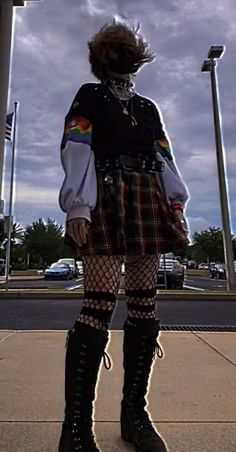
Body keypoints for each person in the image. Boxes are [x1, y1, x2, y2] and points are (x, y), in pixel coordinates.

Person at [58, 20, 189, 452]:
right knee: (96, 308)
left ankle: (135, 416)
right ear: (102, 57)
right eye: (116, 47)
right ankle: (75, 431)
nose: (124, 53)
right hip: (105, 198)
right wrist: (77, 204)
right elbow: (76, 146)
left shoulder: (149, 107)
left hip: (147, 197)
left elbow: (163, 157)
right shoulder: (89, 96)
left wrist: (175, 205)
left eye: (129, 46)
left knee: (144, 309)